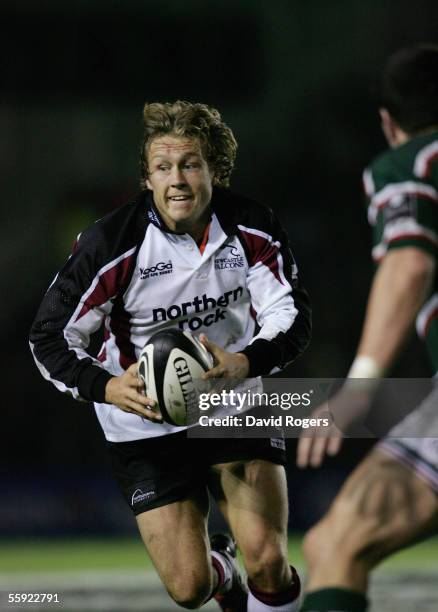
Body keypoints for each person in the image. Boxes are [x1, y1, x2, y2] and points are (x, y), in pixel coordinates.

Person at [30, 101, 311, 612]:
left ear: (215, 171)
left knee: (269, 561)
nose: (177, 180)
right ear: (147, 179)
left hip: (232, 407)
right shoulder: (108, 244)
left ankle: (246, 573)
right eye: (163, 167)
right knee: (189, 588)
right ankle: (220, 571)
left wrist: (246, 362)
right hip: (143, 426)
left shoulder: (251, 226)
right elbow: (48, 339)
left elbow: (291, 317)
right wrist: (108, 387)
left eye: (191, 164)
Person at [297, 44, 438, 612]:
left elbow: (409, 263)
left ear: (388, 121)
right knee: (334, 540)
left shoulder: (411, 163)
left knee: (338, 545)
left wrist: (359, 386)